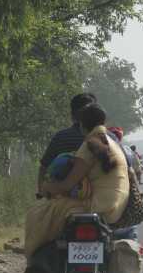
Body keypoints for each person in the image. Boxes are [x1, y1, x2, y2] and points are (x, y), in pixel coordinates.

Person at [25, 104, 129, 257]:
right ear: (104, 122)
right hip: (117, 208)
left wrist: (47, 187)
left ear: (81, 125)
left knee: (37, 213)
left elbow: (68, 185)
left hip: (97, 206)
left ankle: (33, 254)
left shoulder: (89, 145)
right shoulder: (113, 142)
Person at [37, 93, 96, 195]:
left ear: (72, 115)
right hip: (96, 196)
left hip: (62, 197)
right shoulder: (105, 139)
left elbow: (44, 167)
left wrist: (41, 193)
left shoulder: (60, 137)